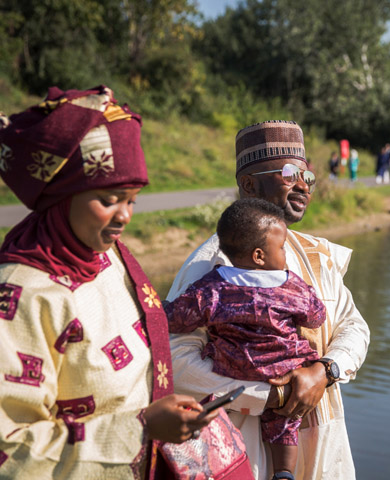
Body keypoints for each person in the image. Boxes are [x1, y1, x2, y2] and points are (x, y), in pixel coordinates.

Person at [0, 86, 219, 478]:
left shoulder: (107, 256)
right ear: (60, 197)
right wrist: (141, 428)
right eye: (109, 199)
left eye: (132, 200)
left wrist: (161, 411)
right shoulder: (22, 296)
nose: (125, 216)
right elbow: (10, 448)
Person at [167, 120, 370, 480]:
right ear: (248, 185)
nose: (302, 185)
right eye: (290, 173)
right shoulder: (213, 266)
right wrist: (270, 397)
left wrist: (325, 371)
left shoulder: (312, 253)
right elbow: (176, 365)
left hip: (324, 440)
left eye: (307, 176)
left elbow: (353, 326)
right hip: (245, 448)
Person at [165, 198, 327, 480]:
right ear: (259, 256)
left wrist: (155, 306)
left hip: (235, 365)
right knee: (285, 420)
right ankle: (285, 472)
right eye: (282, 247)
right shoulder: (290, 286)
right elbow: (316, 316)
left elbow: (178, 318)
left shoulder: (213, 286)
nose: (286, 253)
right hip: (282, 372)